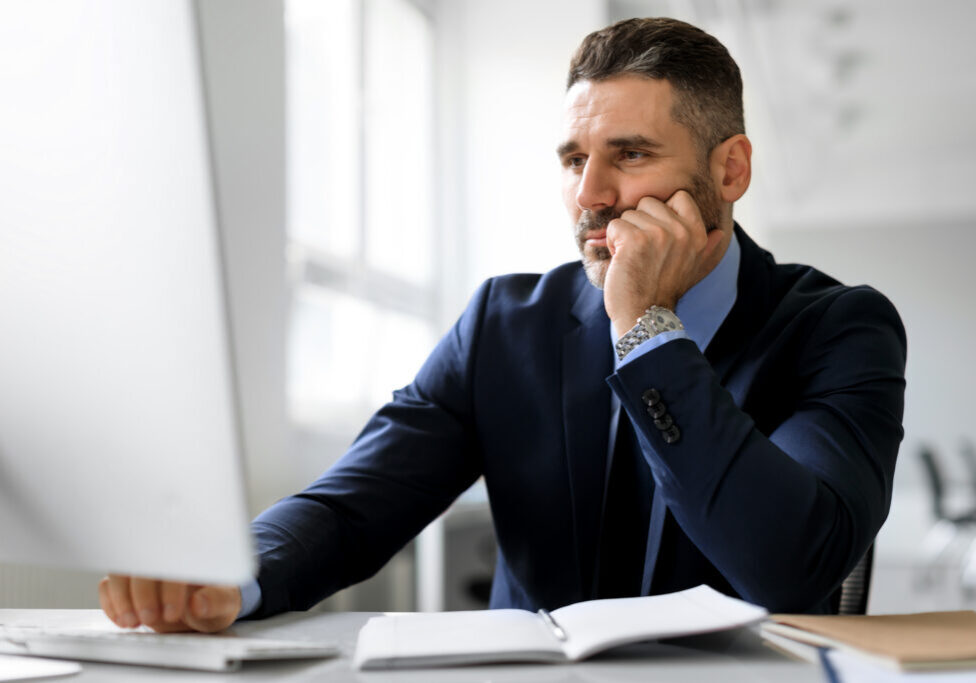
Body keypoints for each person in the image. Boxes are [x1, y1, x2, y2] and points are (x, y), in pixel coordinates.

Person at [98, 17, 906, 633]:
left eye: (629, 155)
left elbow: (790, 563)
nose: (590, 194)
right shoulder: (503, 324)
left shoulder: (839, 329)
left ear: (729, 170)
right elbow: (353, 506)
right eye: (571, 159)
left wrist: (648, 331)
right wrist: (226, 578)